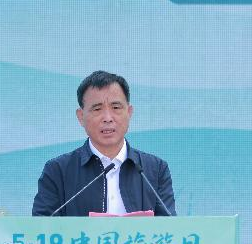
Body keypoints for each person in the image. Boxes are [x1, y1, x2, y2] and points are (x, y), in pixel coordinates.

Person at [32, 71, 176, 217]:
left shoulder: (155, 169)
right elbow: (41, 226)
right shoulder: (57, 171)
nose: (108, 118)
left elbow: (170, 226)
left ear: (129, 112)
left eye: (116, 107)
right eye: (97, 109)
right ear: (81, 117)